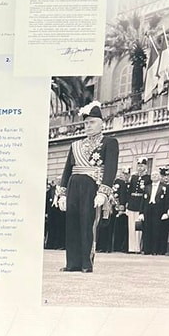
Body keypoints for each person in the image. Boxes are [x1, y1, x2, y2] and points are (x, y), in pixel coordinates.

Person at [56, 102, 118, 273]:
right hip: (73, 184)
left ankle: (86, 262)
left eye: (92, 122)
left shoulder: (109, 142)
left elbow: (111, 168)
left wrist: (103, 192)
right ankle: (72, 263)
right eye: (86, 123)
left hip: (92, 185)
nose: (88, 126)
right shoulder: (76, 145)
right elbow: (67, 170)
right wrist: (62, 194)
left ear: (101, 123)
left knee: (87, 223)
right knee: (72, 224)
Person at [126, 159, 150, 252]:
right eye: (139, 166)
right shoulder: (134, 177)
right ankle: (131, 247)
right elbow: (130, 191)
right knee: (131, 226)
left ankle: (138, 247)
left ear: (145, 167)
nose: (140, 168)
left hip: (140, 203)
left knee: (139, 226)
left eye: (142, 166)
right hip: (132, 203)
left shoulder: (148, 178)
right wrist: (127, 203)